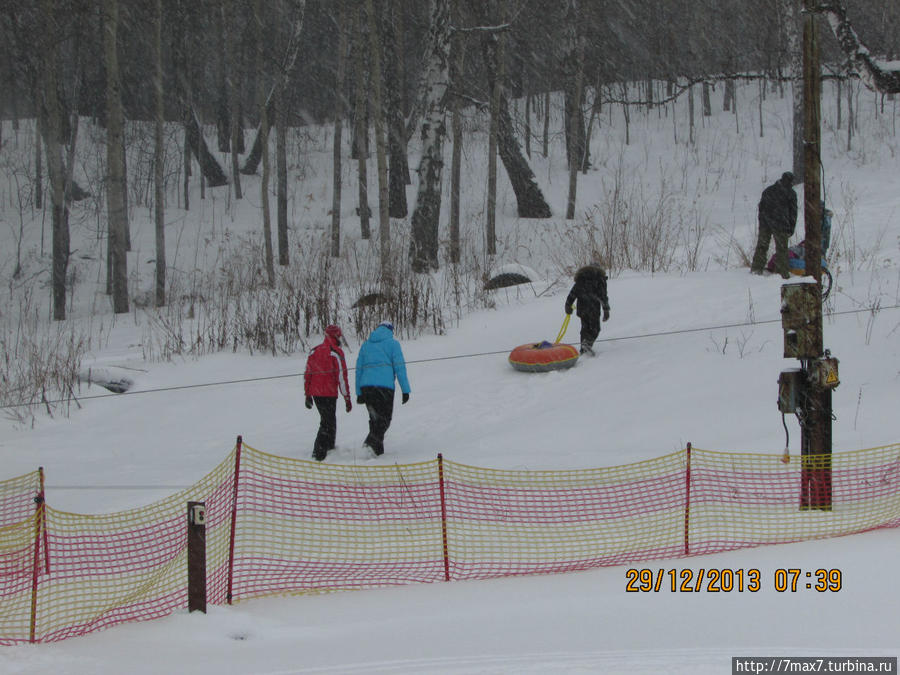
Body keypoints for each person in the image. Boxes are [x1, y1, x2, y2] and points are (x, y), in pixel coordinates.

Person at [355, 321, 411, 456]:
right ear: (391, 330)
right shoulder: (393, 344)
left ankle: (377, 452)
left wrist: (359, 392)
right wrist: (405, 390)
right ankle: (369, 446)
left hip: (367, 387)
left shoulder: (366, 345)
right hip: (384, 388)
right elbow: (400, 368)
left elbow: (358, 370)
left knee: (374, 419)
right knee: (385, 420)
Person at [303, 325, 352, 461]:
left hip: (316, 393)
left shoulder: (314, 351)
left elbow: (308, 374)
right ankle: (318, 453)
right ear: (336, 336)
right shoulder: (336, 352)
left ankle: (329, 448)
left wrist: (307, 394)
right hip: (329, 394)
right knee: (327, 422)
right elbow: (342, 377)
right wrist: (347, 397)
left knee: (329, 420)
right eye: (339, 336)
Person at [751, 171, 798, 278]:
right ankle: (782, 272)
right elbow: (793, 212)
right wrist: (791, 228)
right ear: (790, 181)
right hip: (781, 225)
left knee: (762, 247)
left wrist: (762, 224)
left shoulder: (768, 190)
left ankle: (756, 269)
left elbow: (761, 208)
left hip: (765, 224)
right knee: (782, 249)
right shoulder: (790, 193)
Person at [564, 263, 610, 355]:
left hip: (582, 308)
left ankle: (584, 348)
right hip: (593, 308)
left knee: (585, 328)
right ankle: (587, 344)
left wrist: (568, 305)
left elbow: (573, 293)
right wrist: (606, 309)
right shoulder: (599, 279)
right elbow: (603, 296)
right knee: (595, 328)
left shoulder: (581, 279)